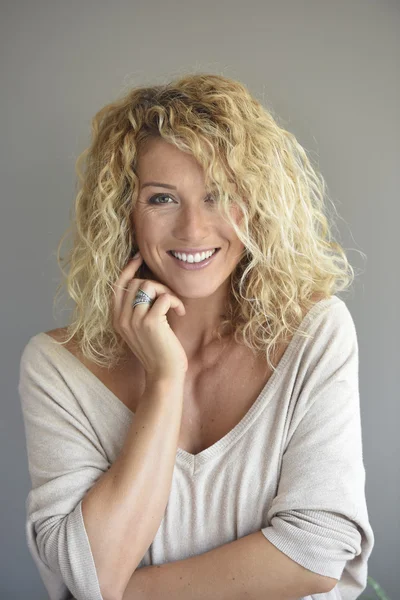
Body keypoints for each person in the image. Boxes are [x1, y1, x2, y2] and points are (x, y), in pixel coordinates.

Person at [18, 73, 374, 600]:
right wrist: (164, 381)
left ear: (255, 205)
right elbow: (86, 571)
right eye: (162, 199)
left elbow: (319, 550)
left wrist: (126, 594)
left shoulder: (315, 333)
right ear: (125, 214)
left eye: (219, 195)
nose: (192, 229)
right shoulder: (57, 367)